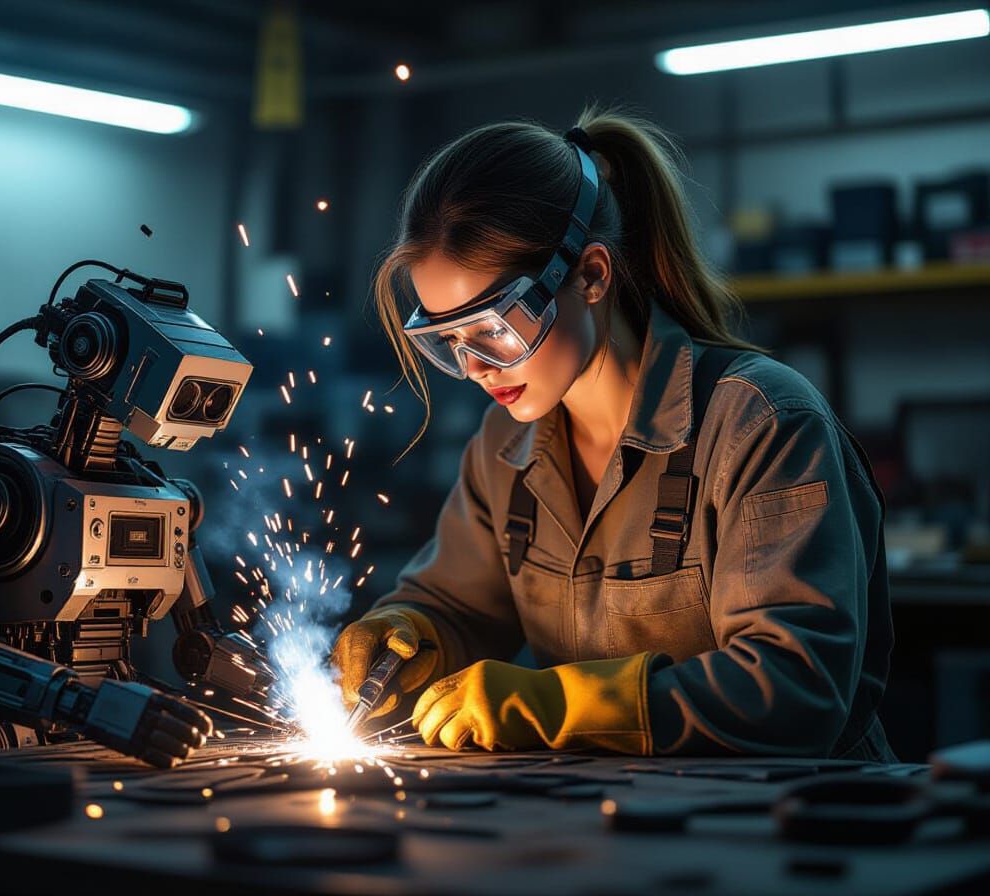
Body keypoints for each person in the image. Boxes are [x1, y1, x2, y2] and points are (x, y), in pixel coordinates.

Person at [331, 105, 895, 760]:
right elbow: (460, 606)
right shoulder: (503, 447)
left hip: (798, 833)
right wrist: (412, 632)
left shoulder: (759, 423)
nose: (475, 368)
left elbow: (796, 687)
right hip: (611, 828)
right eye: (446, 341)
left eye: (494, 327)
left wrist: (562, 703)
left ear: (592, 275)